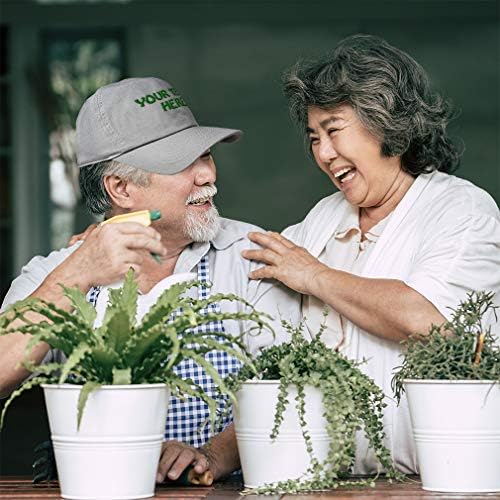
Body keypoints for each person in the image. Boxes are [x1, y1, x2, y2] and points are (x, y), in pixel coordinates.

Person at [0, 77, 299, 482]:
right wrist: (79, 271)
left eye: (206, 154)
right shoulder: (56, 273)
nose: (207, 175)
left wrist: (213, 455)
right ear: (120, 188)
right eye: (182, 162)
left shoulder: (253, 256)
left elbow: (291, 386)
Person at [241, 34, 500, 474]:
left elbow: (430, 321)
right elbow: (271, 358)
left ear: (387, 125)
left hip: (439, 480)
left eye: (333, 130)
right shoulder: (321, 220)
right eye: (313, 137)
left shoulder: (462, 210)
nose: (323, 154)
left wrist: (314, 276)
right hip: (336, 482)